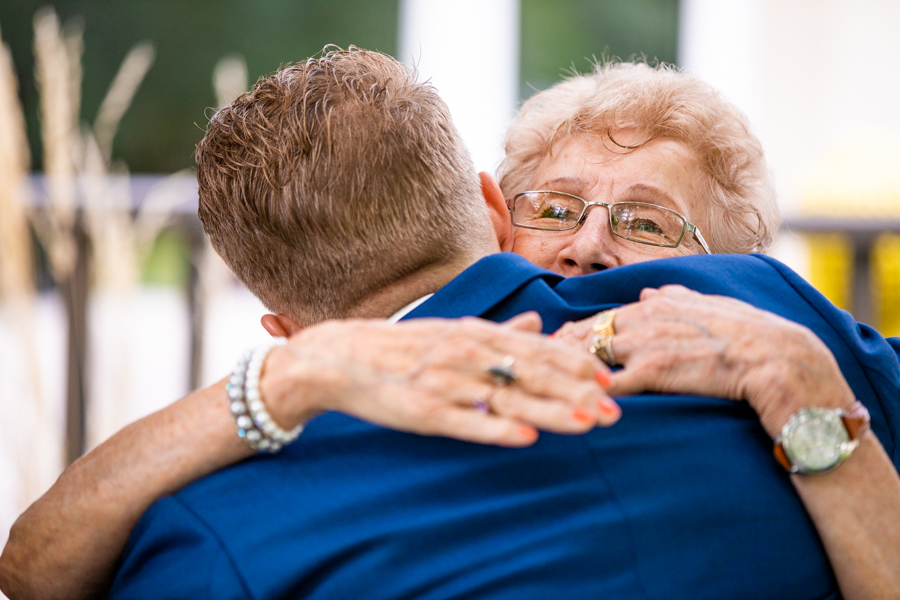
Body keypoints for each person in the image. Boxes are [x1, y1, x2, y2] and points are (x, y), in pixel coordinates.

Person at [1, 49, 898, 599]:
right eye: (555, 207)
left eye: (649, 225)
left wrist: (805, 392)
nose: (586, 250)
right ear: (494, 211)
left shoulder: (215, 535)